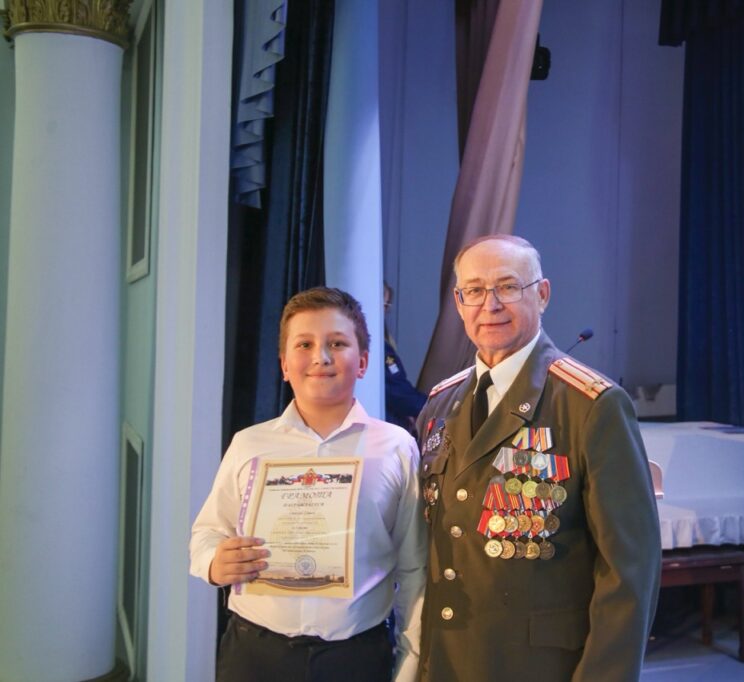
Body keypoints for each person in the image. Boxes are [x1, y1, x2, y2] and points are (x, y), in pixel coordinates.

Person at [415, 235, 661, 682]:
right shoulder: (439, 405)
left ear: (542, 294)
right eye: (474, 290)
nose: (490, 305)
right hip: (446, 661)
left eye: (508, 287)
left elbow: (629, 571)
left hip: (540, 667)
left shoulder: (591, 406)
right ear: (458, 303)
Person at [190, 287, 425, 682]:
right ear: (284, 365)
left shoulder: (396, 448)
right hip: (254, 654)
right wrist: (215, 562)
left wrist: (410, 664)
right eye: (305, 344)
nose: (321, 357)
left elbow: (414, 565)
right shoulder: (249, 444)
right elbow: (206, 533)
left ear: (363, 362)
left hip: (356, 658)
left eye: (337, 343)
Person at [382, 282, 426, 434]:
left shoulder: (380, 342)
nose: (386, 311)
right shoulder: (378, 346)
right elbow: (396, 391)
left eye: (387, 305)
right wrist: (428, 406)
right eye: (384, 304)